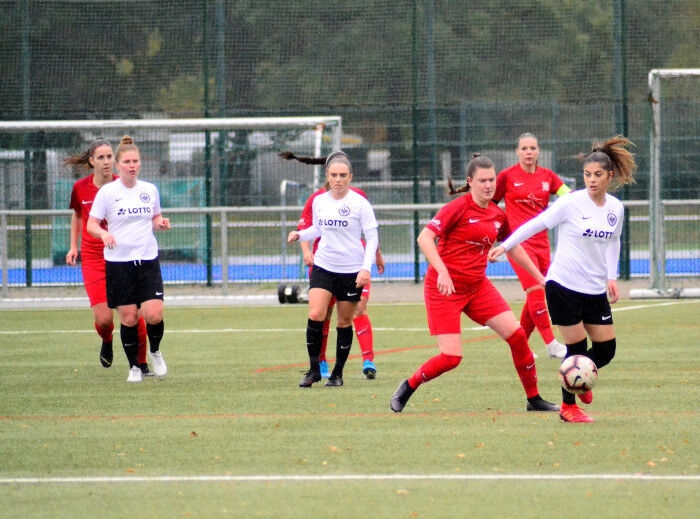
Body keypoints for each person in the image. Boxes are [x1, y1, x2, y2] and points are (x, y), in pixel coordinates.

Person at [390, 154, 560, 414]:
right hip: (444, 288)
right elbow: (425, 238)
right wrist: (443, 271)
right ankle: (409, 386)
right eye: (483, 180)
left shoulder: (496, 214)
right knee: (451, 358)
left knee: (516, 336)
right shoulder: (457, 208)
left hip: (477, 287)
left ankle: (534, 399)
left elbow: (512, 246)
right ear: (470, 182)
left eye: (492, 179)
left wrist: (540, 278)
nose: (489, 185)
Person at [488, 136, 637, 422]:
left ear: (610, 176)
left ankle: (580, 377)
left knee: (606, 350)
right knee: (576, 349)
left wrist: (612, 277)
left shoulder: (615, 208)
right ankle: (569, 407)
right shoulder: (570, 203)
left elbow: (614, 242)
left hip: (594, 290)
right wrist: (505, 245)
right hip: (563, 287)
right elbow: (535, 224)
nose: (591, 180)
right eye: (587, 175)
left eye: (597, 175)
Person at [280, 151, 385, 380]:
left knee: (345, 320)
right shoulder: (319, 200)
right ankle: (314, 370)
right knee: (316, 313)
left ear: (350, 177)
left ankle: (338, 373)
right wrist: (300, 235)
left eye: (343, 175)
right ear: (327, 176)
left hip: (350, 269)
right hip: (324, 266)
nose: (338, 179)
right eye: (334, 175)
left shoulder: (360, 203)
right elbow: (317, 229)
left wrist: (365, 267)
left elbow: (372, 237)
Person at [86, 135, 171, 383]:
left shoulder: (149, 190)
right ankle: (134, 366)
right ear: (118, 165)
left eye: (135, 161)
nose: (132, 165)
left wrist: (160, 222)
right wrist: (104, 234)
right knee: (129, 318)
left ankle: (154, 351)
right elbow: (91, 224)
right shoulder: (108, 193)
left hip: (147, 261)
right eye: (127, 161)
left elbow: (155, 217)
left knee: (154, 314)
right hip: (118, 264)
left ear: (140, 164)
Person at [65, 139, 150, 374]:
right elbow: (78, 217)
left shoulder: (123, 185)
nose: (106, 162)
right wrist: (74, 247)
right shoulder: (80, 188)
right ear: (91, 161)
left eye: (110, 156)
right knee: (104, 319)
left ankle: (141, 364)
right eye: (101, 157)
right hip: (94, 259)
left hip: (121, 256)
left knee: (134, 314)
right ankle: (107, 340)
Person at [492, 133, 571, 359]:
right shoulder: (506, 176)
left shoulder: (548, 177)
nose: (528, 152)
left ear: (538, 151)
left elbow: (568, 195)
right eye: (524, 148)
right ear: (517, 151)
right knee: (536, 290)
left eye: (532, 148)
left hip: (542, 244)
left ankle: (520, 346)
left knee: (536, 294)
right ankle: (551, 344)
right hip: (519, 246)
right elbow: (491, 206)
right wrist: (497, 234)